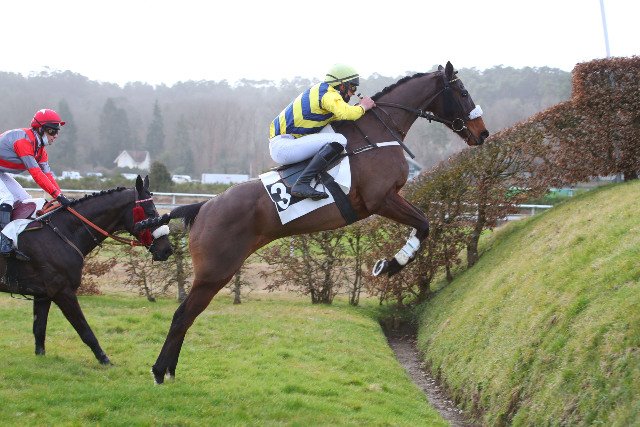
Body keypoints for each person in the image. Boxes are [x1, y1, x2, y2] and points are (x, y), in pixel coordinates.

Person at [269, 64, 376, 200]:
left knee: (332, 132)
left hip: (287, 143)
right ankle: (302, 183)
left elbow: (343, 116)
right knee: (339, 140)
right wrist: (363, 107)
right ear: (342, 86)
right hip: (283, 146)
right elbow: (346, 113)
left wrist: (359, 109)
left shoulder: (324, 92)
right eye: (352, 87)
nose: (353, 93)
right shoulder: (328, 94)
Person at [0, 108, 72, 257]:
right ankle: (3, 240)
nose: (55, 135)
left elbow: (48, 176)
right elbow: (37, 174)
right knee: (6, 198)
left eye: (57, 131)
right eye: (52, 131)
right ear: (40, 129)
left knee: (26, 201)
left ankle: (19, 240)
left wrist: (60, 196)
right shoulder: (23, 142)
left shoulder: (41, 150)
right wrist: (58, 196)